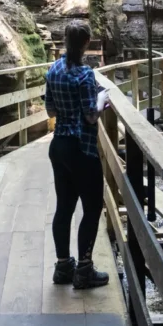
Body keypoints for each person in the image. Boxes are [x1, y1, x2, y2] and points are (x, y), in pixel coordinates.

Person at [44, 20, 110, 289]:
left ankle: (63, 267)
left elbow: (50, 111)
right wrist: (102, 101)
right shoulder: (85, 74)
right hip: (82, 148)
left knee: (65, 207)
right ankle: (84, 270)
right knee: (92, 208)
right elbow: (91, 117)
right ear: (85, 43)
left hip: (59, 146)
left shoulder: (54, 70)